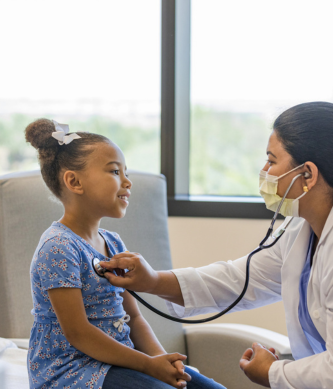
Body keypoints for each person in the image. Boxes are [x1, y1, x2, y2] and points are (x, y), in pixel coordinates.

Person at [100, 101, 333, 388]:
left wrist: (273, 372)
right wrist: (152, 281)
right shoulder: (300, 229)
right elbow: (239, 280)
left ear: (307, 174)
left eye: (272, 161)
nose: (264, 171)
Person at [24, 119, 225, 389]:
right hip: (71, 370)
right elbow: (79, 333)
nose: (128, 182)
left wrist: (161, 361)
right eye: (115, 171)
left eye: (125, 172)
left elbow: (136, 318)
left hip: (120, 363)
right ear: (74, 181)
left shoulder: (114, 243)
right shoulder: (58, 247)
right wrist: (147, 365)